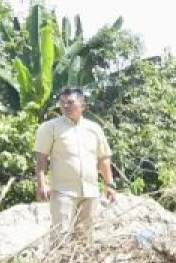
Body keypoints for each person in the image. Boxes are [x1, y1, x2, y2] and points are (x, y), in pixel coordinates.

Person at [34, 87, 117, 236]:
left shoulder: (94, 129)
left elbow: (103, 158)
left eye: (71, 102)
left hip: (90, 192)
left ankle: (81, 260)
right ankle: (58, 261)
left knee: (84, 238)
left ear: (82, 106)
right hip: (63, 192)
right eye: (62, 103)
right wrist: (42, 184)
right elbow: (41, 158)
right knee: (61, 236)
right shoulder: (50, 128)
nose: (66, 106)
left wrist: (109, 184)